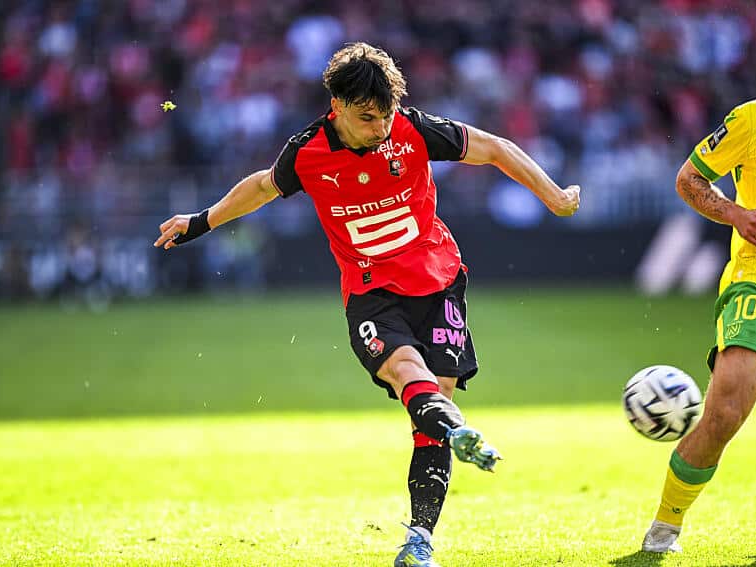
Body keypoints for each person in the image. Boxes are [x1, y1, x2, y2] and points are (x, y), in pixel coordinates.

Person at [155, 42, 580, 567]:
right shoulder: (308, 152)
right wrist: (201, 221)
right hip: (371, 293)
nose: (379, 128)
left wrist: (555, 195)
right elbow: (264, 187)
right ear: (336, 106)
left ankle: (420, 536)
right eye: (366, 118)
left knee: (431, 413)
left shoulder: (412, 129)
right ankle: (455, 432)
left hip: (439, 281)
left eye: (385, 116)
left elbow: (493, 147)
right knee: (406, 371)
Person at [641, 11, 756, 554]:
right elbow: (689, 177)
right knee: (727, 407)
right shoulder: (754, 119)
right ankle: (665, 526)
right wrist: (736, 214)